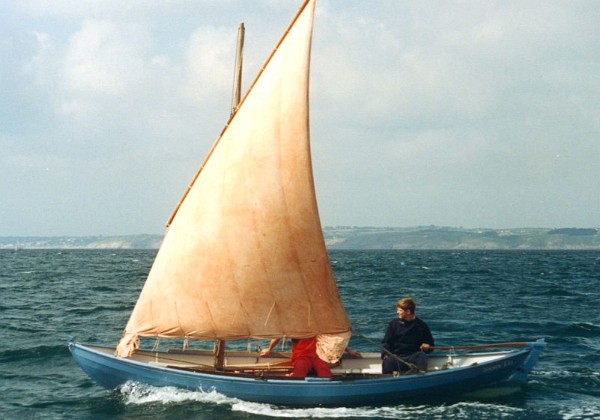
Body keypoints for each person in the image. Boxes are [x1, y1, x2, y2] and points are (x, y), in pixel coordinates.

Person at [381, 297, 434, 374]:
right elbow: (386, 342)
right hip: (397, 356)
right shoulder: (393, 324)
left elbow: (431, 346)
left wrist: (427, 347)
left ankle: (420, 377)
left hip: (413, 356)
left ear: (408, 311)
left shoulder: (421, 326)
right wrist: (385, 354)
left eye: (400, 310)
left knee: (421, 356)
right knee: (388, 362)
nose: (397, 312)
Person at [260, 337, 332, 378]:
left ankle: (327, 390)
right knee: (299, 373)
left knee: (324, 371)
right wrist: (269, 349)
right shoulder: (294, 325)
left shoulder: (314, 323)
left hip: (317, 356)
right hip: (302, 357)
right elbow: (278, 336)